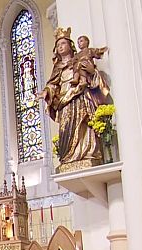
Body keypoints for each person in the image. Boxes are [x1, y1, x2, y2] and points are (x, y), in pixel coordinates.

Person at [42, 27, 106, 169]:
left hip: (80, 95)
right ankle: (69, 157)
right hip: (64, 101)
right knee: (66, 129)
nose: (60, 47)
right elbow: (52, 84)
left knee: (83, 123)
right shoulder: (58, 67)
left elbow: (93, 77)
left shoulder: (81, 59)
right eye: (58, 45)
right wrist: (46, 92)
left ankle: (87, 153)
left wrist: (91, 71)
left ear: (70, 46)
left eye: (63, 44)